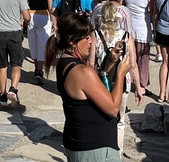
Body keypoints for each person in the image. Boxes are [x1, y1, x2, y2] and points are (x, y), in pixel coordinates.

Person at [46, 12, 134, 162]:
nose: (91, 42)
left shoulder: (65, 63)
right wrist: (120, 75)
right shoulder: (82, 71)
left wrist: (110, 64)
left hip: (79, 142)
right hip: (95, 148)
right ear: (72, 42)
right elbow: (113, 108)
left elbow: (92, 90)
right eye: (86, 38)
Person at [92, 0, 142, 152]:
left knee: (102, 118)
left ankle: (102, 148)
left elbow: (90, 63)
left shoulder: (95, 35)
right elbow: (133, 64)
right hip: (122, 83)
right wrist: (138, 87)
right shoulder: (126, 36)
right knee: (120, 121)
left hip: (101, 82)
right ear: (117, 19)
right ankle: (117, 153)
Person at [123, 0, 154, 99]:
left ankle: (128, 80)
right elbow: (153, 11)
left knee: (129, 56)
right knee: (143, 58)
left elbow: (122, 3)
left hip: (130, 27)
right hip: (142, 27)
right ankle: (141, 85)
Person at [25, 0, 54, 84]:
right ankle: (39, 70)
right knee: (42, 44)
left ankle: (36, 68)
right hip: (43, 16)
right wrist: (55, 22)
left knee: (33, 43)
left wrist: (23, 19)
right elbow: (51, 8)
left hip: (31, 16)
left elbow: (24, 4)